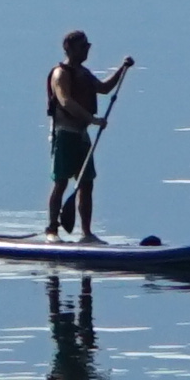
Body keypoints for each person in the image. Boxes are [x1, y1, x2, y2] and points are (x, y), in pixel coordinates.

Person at [42, 29, 135, 238]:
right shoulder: (61, 74)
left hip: (81, 136)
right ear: (70, 48)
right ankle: (52, 230)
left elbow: (103, 88)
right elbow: (65, 101)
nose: (87, 50)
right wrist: (92, 119)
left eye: (88, 46)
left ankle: (86, 233)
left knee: (86, 184)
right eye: (83, 46)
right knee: (62, 182)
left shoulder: (83, 73)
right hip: (65, 134)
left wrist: (122, 69)